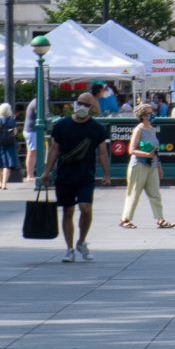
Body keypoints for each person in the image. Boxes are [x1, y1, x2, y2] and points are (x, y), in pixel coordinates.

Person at [48, 96, 112, 262]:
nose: (82, 107)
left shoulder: (96, 128)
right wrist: (46, 172)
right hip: (64, 174)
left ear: (91, 107)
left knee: (86, 209)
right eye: (80, 103)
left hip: (85, 175)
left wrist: (106, 174)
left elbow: (103, 152)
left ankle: (81, 241)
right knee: (67, 211)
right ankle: (69, 249)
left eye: (86, 105)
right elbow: (54, 149)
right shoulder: (62, 125)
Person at [119, 103, 175, 229]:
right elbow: (131, 150)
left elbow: (155, 151)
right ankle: (126, 218)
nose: (153, 114)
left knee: (155, 193)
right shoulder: (139, 129)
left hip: (152, 165)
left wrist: (159, 166)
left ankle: (160, 219)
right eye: (150, 113)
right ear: (143, 116)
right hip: (139, 164)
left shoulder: (152, 129)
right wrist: (146, 154)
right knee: (134, 192)